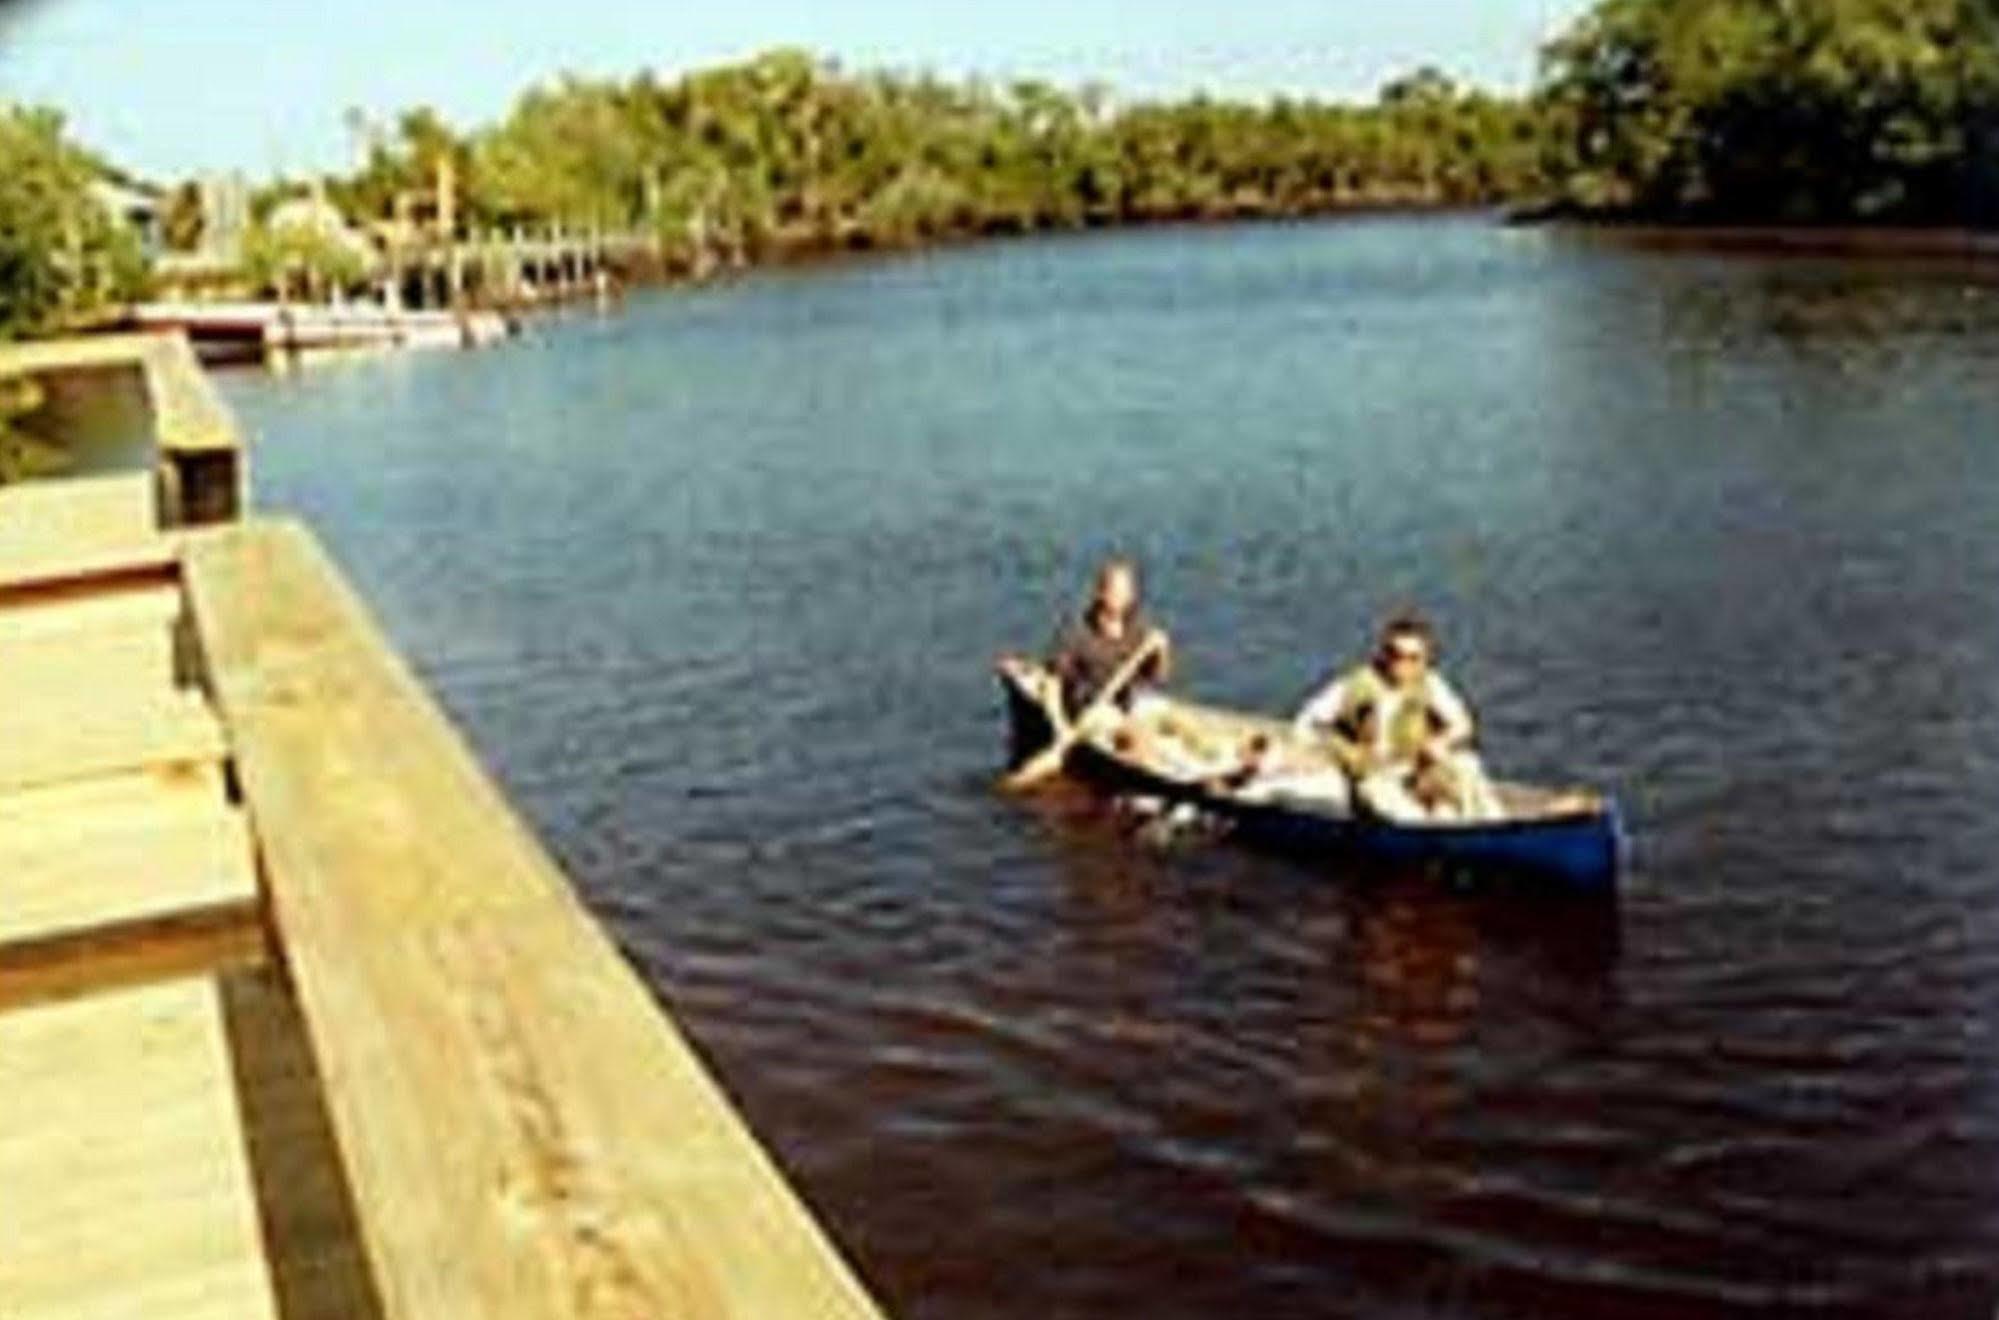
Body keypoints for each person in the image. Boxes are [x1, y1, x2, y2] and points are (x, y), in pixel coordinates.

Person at [1292, 613, 1502, 823]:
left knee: (1467, 764)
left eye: (1413, 658)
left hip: (1415, 771)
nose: (1402, 664)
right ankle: (1425, 830)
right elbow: (1306, 724)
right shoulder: (1354, 685)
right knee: (1379, 793)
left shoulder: (1430, 685)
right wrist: (1340, 750)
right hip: (1375, 777)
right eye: (1395, 655)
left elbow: (1462, 723)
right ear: (1383, 654)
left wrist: (1441, 742)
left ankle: (1492, 825)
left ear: (1425, 659)